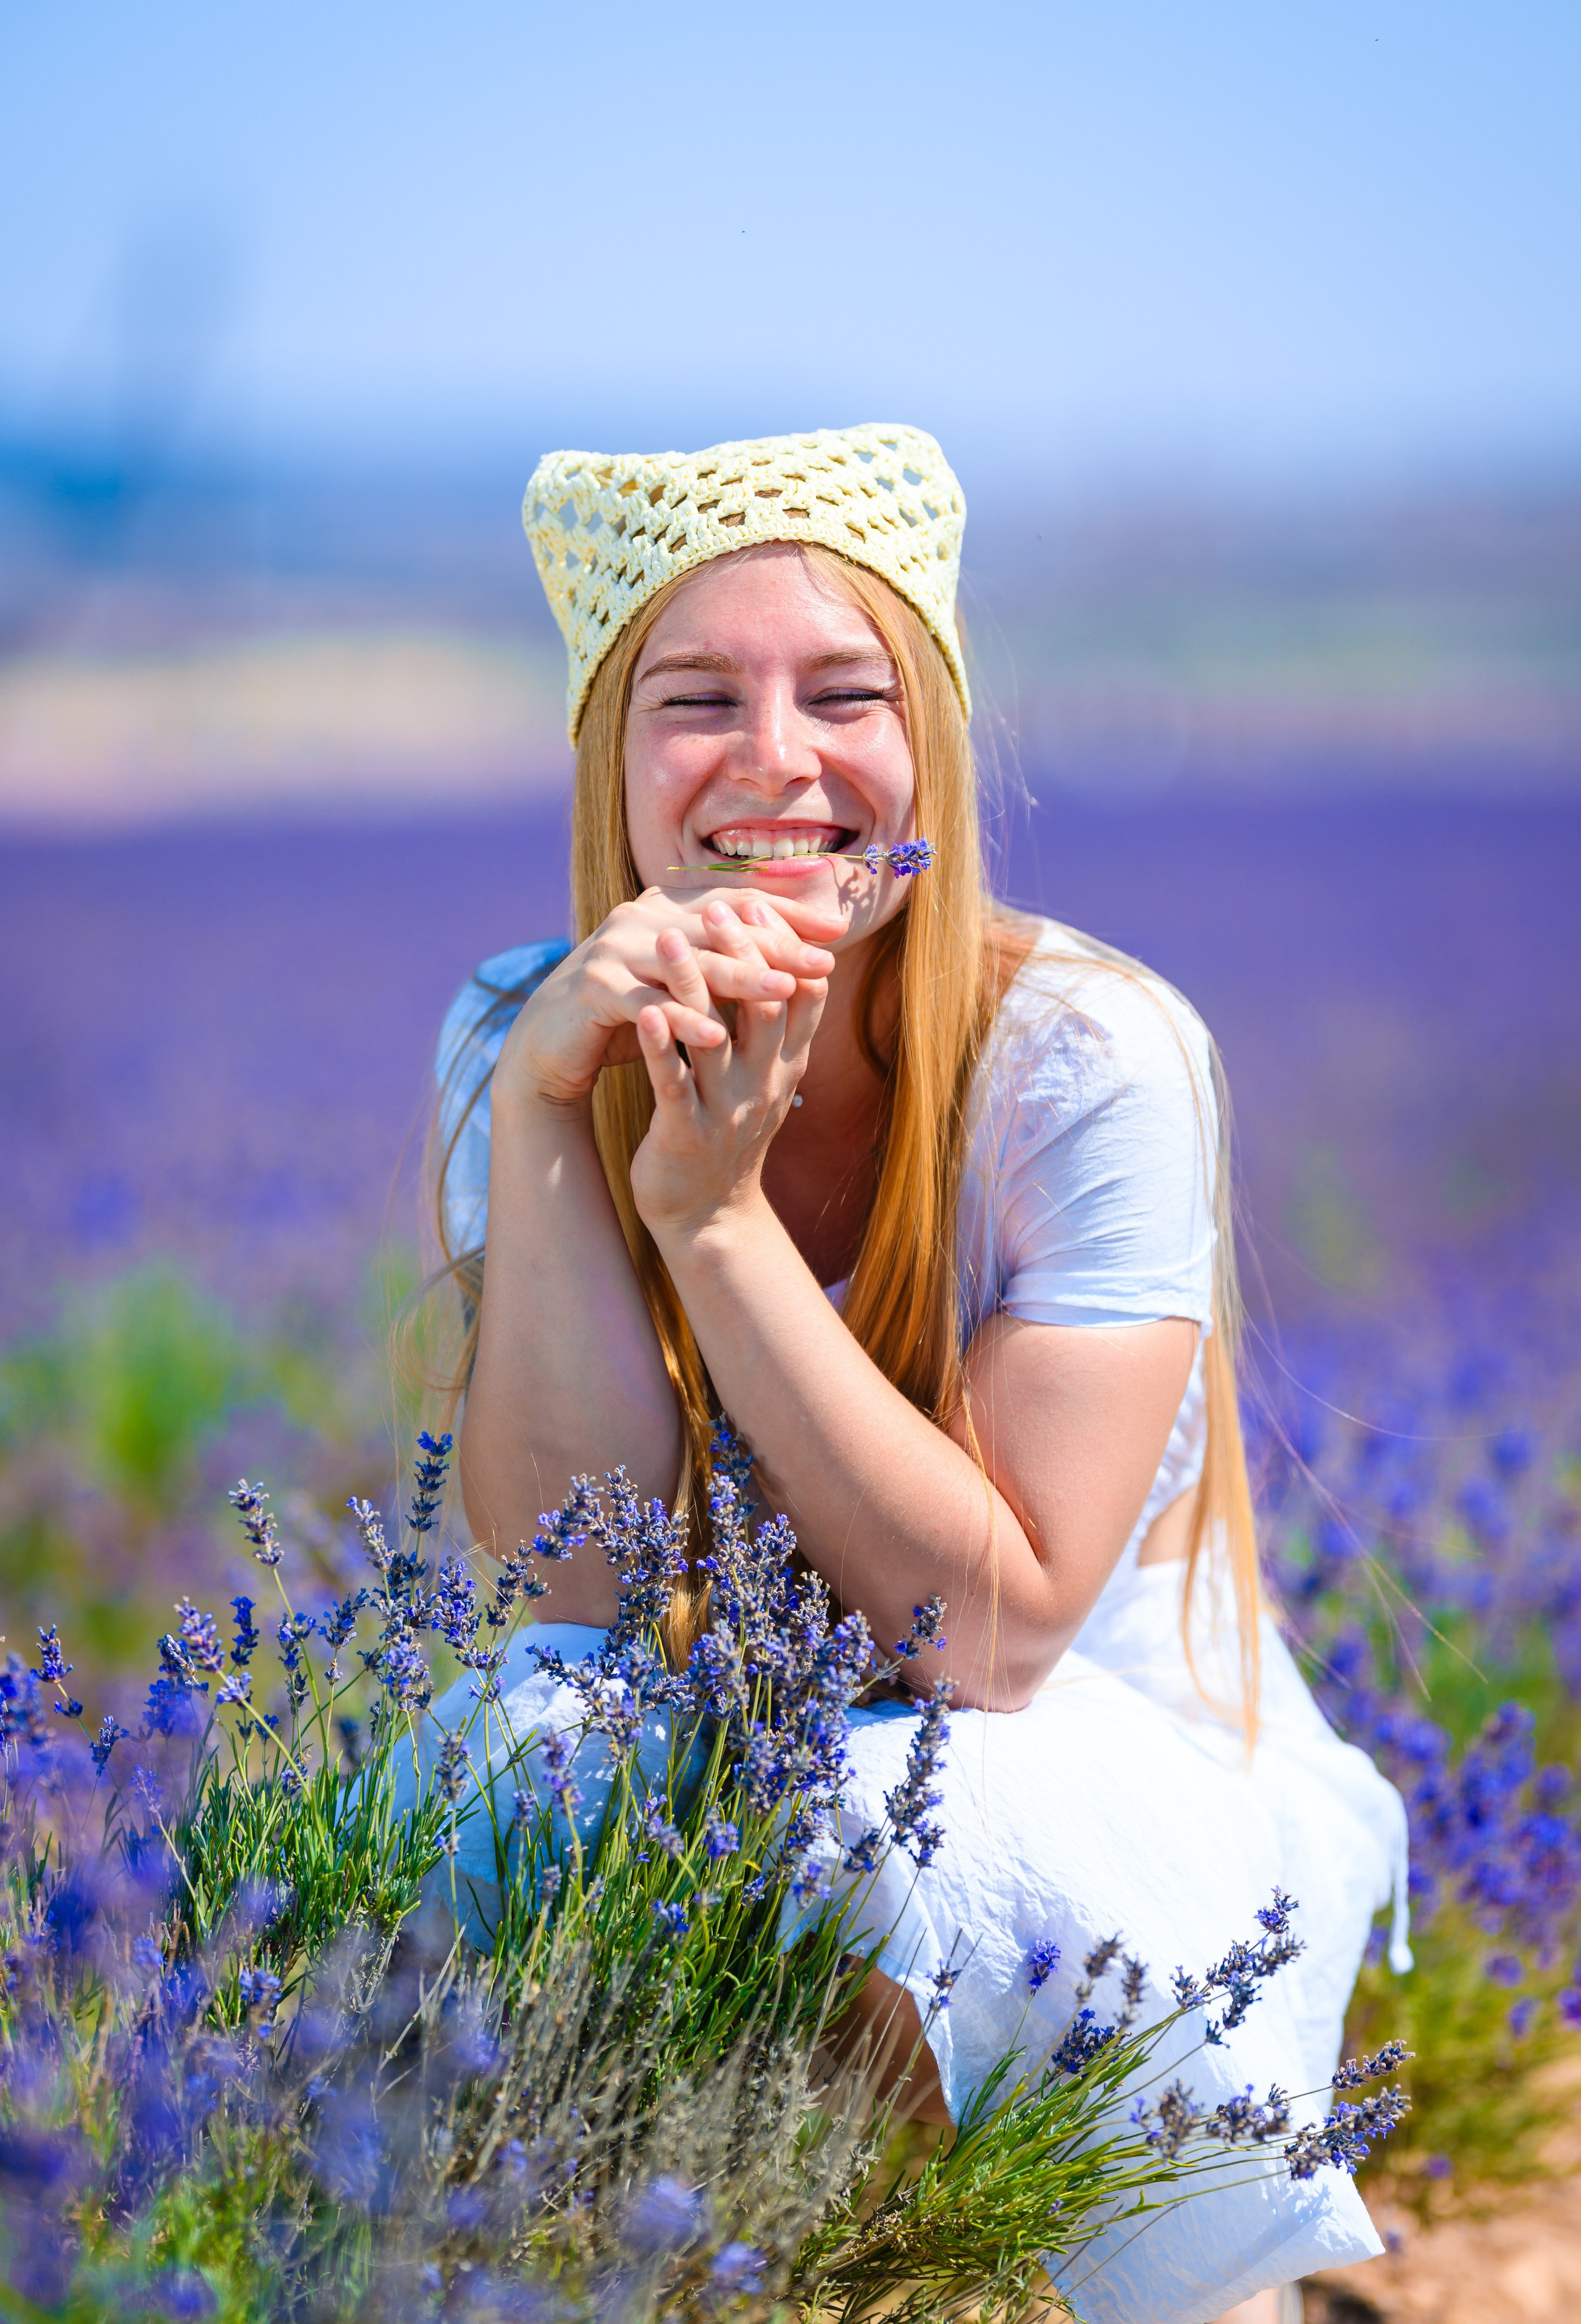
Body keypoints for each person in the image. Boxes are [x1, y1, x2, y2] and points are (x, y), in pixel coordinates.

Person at [424, 424, 1409, 2324]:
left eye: (846, 695)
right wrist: (554, 1115)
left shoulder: (1088, 1054)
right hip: (735, 1708)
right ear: (613, 764)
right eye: (694, 698)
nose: (777, 762)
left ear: (932, 747)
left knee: (898, 1825)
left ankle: (1196, 2279)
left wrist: (711, 1232)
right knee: (521, 1751)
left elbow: (995, 1636)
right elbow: (581, 1578)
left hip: (1097, 1747)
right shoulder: (515, 1032)